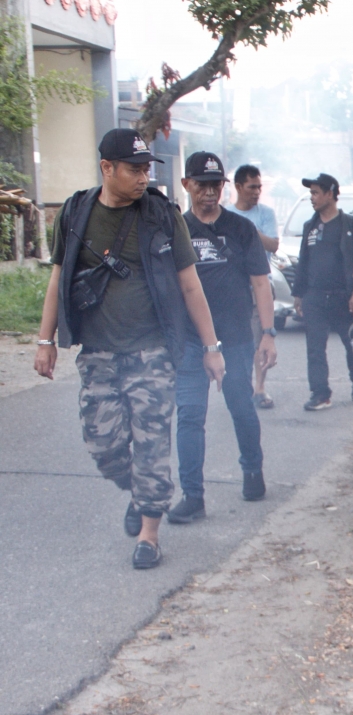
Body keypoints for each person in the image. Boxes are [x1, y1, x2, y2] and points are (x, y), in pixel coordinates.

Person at [32, 128, 225, 570]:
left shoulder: (161, 214)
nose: (143, 178)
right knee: (104, 445)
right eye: (134, 170)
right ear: (107, 169)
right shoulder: (76, 212)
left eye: (146, 169)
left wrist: (211, 347)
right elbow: (58, 279)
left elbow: (190, 284)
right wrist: (45, 342)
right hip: (98, 352)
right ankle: (140, 492)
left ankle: (149, 536)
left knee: (152, 442)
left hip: (152, 351)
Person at [167, 152, 277, 526]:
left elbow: (261, 283)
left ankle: (252, 471)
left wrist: (268, 333)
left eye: (216, 185)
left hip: (235, 338)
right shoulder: (176, 230)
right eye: (202, 185)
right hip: (191, 342)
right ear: (187, 185)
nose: (210, 193)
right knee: (190, 417)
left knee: (241, 406)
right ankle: (192, 496)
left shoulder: (241, 229)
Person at [290, 173, 353, 411]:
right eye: (310, 193)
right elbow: (303, 261)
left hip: (343, 296)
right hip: (314, 296)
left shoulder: (352, 225)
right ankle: (320, 394)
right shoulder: (310, 227)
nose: (311, 198)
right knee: (315, 348)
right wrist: (298, 294)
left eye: (315, 193)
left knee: (352, 345)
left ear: (331, 194)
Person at [227, 164, 280, 409]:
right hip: (235, 289)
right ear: (238, 187)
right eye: (252, 187)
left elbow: (273, 245)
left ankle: (260, 388)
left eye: (259, 187)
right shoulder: (225, 214)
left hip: (260, 286)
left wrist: (249, 231)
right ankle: (242, 386)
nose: (257, 191)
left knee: (261, 339)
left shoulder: (265, 214)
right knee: (239, 340)